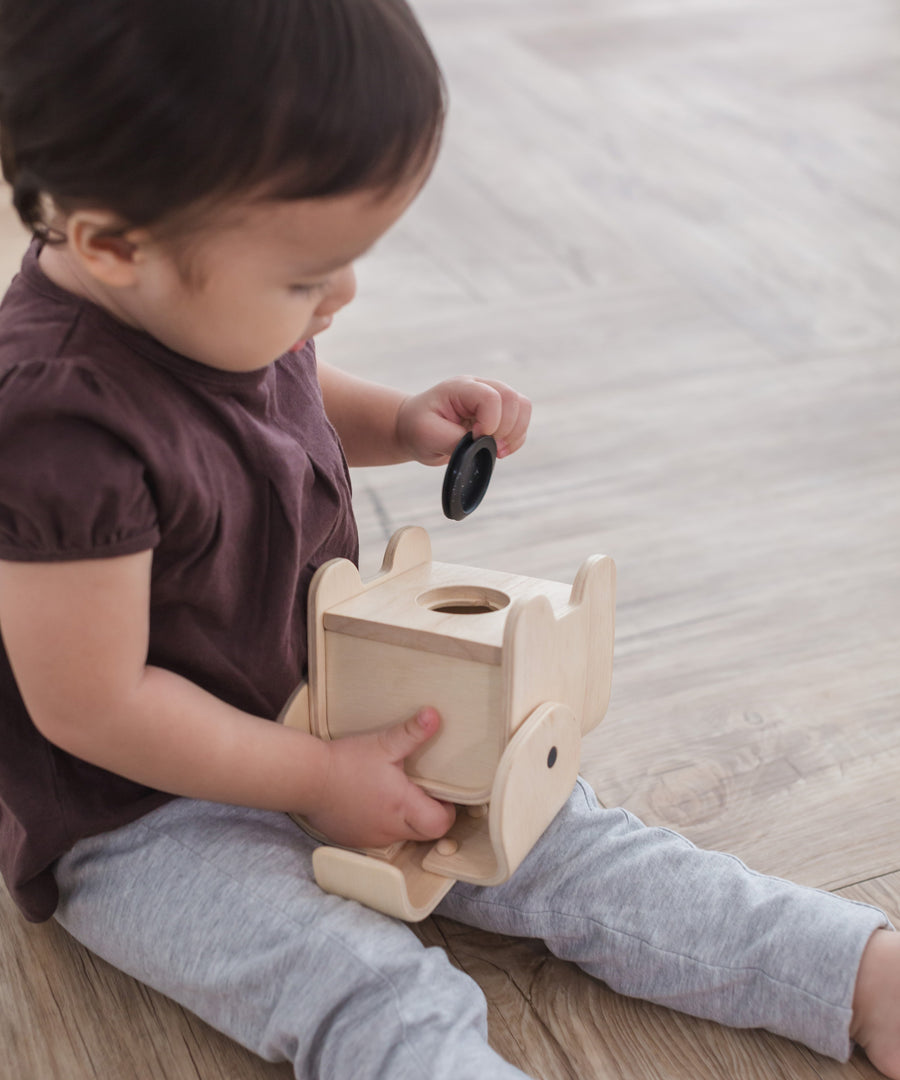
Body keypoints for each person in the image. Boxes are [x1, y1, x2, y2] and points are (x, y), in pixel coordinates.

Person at [0, 1, 898, 1077]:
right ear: (110, 244)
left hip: (330, 701)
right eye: (304, 279)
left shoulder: (204, 304)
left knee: (559, 837)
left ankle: (850, 971)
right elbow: (93, 706)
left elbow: (279, 394)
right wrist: (311, 779)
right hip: (146, 810)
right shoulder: (57, 427)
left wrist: (399, 420)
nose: (342, 296)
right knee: (355, 978)